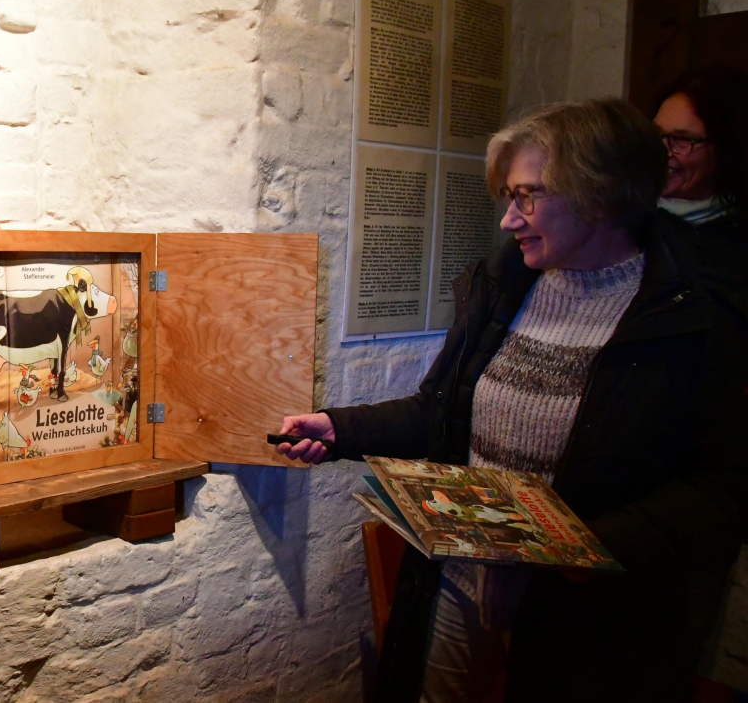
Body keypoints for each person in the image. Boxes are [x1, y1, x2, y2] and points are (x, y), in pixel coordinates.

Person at [278, 99, 748, 703]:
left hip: (592, 613)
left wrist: (594, 545)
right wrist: (339, 428)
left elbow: (723, 486)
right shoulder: (504, 286)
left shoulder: (695, 314)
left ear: (600, 195)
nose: (509, 219)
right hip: (465, 581)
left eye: (528, 196)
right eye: (509, 195)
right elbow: (443, 413)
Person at [653, 66, 748, 245]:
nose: (662, 150)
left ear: (724, 148)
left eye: (682, 139)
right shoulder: (621, 221)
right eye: (655, 134)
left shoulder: (735, 244)